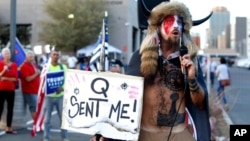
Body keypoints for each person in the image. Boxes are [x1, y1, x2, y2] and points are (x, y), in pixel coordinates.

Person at [90, 1, 211, 141]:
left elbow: (200, 104)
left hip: (178, 134)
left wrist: (191, 79)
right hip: (144, 134)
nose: (176, 26)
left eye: (180, 22)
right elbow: (125, 100)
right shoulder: (140, 58)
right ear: (157, 27)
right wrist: (106, 133)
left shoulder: (190, 60)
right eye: (170, 21)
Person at [43, 50, 68, 141]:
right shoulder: (47, 67)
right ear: (51, 56)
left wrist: (62, 87)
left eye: (57, 55)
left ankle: (64, 137)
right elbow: (42, 80)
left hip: (60, 96)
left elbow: (67, 79)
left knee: (63, 118)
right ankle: (46, 137)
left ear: (59, 57)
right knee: (47, 119)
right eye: (54, 54)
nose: (56, 56)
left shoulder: (63, 67)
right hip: (49, 97)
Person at [0, 47, 18, 134]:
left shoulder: (14, 65)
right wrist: (3, 70)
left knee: (10, 109)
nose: (7, 55)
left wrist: (5, 78)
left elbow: (15, 79)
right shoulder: (0, 64)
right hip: (1, 89)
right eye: (6, 53)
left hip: (11, 89)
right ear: (2, 55)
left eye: (9, 54)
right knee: (0, 108)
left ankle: (8, 127)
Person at [19, 50, 40, 120]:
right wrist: (36, 74)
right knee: (33, 107)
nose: (32, 58)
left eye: (32, 57)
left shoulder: (33, 64)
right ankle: (36, 123)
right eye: (30, 57)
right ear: (26, 57)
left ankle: (38, 123)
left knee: (36, 107)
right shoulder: (24, 66)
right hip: (30, 91)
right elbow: (28, 79)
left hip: (35, 90)